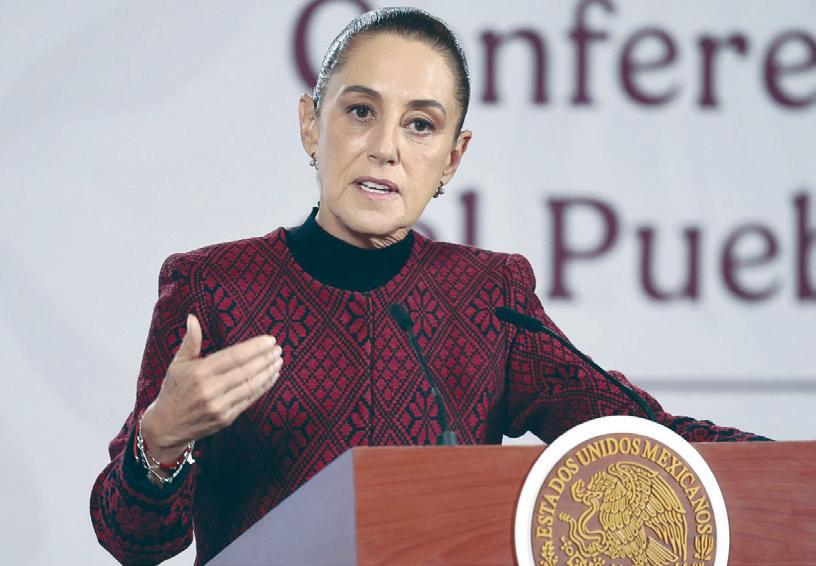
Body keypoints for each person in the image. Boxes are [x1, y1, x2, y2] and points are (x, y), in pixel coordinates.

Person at [90, 7, 768, 565]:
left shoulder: (488, 297)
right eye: (360, 111)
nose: (385, 147)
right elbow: (132, 541)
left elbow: (642, 440)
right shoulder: (212, 288)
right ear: (311, 125)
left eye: (420, 124)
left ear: (452, 158)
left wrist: (790, 468)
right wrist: (162, 440)